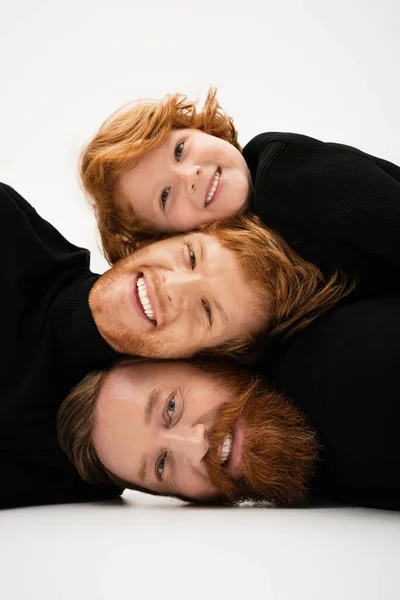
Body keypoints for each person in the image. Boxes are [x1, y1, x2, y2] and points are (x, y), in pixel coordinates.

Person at [0, 182, 347, 508]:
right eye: (191, 256)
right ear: (153, 237)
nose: (172, 288)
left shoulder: (91, 465)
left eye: (208, 311)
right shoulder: (11, 230)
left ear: (207, 355)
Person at [58, 296, 400, 511]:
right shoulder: (300, 471)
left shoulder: (352, 360)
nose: (195, 446)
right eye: (162, 466)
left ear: (205, 358)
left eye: (171, 408)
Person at [80, 88, 400, 300]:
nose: (190, 175)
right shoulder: (241, 264)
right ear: (171, 238)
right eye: (165, 196)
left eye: (179, 150)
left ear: (202, 129)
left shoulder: (282, 174)